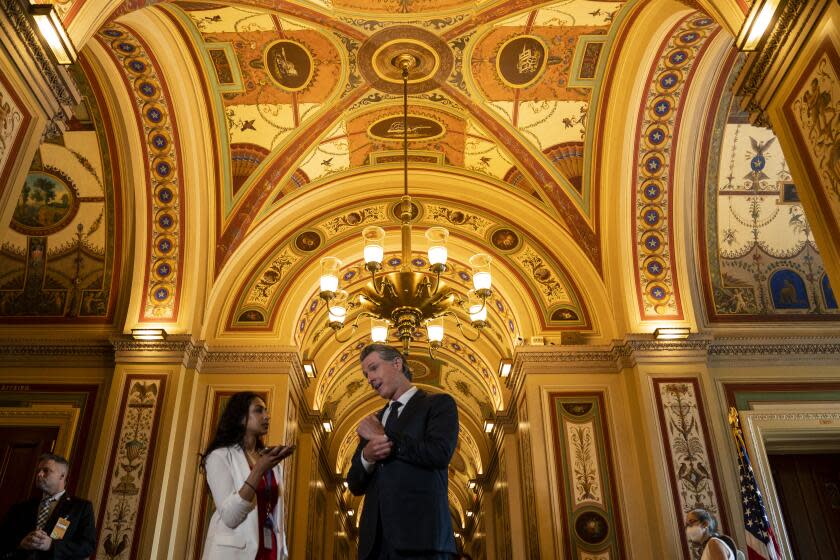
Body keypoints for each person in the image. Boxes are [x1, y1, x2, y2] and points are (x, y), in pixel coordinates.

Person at [347, 343, 460, 559]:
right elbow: (354, 483)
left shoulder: (438, 404)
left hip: (423, 539)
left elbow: (439, 453)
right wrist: (367, 456)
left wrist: (386, 439)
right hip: (376, 546)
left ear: (397, 363)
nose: (369, 379)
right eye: (365, 374)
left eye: (373, 368)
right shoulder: (375, 421)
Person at [200, 391, 296, 559]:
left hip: (270, 550)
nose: (267, 416)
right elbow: (230, 516)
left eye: (266, 411)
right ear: (240, 417)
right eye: (259, 411)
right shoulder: (219, 457)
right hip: (235, 553)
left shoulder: (272, 463)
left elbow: (275, 514)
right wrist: (258, 470)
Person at [0, 453, 96, 559]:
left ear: (62, 476)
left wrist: (51, 545)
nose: (39, 474)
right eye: (38, 471)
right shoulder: (20, 508)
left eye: (46, 470)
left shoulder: (81, 508)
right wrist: (20, 543)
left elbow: (87, 546)